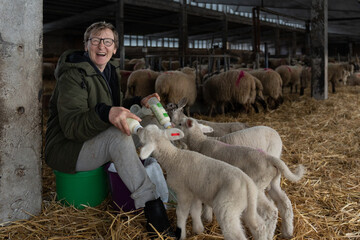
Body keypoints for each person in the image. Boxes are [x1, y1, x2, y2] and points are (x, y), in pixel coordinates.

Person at [45, 21, 175, 238]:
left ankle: (172, 179)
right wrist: (106, 113)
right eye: (95, 40)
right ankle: (153, 211)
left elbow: (115, 103)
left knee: (151, 123)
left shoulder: (110, 71)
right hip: (67, 148)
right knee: (119, 137)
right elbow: (72, 127)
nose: (101, 46)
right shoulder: (73, 75)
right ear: (86, 45)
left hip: (93, 136)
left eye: (107, 41)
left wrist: (138, 102)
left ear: (115, 48)